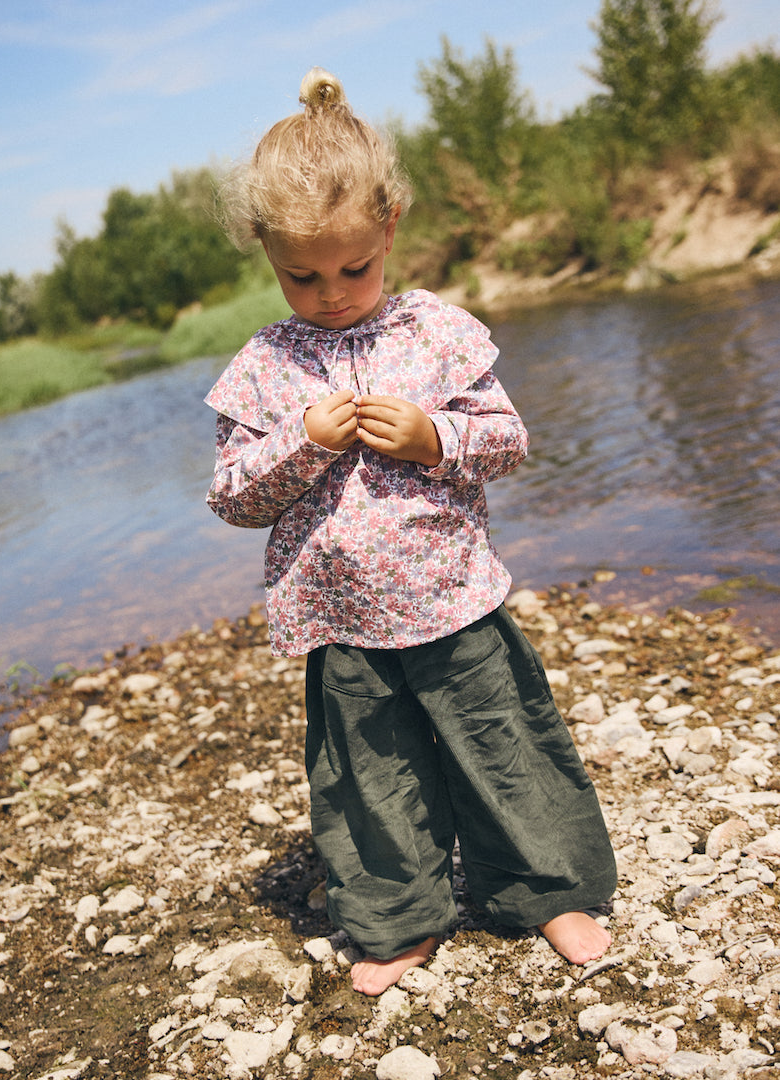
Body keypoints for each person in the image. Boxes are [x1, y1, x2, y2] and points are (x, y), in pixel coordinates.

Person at [205, 68, 617, 997]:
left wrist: (436, 438)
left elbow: (509, 440)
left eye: (355, 268)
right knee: (370, 778)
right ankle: (397, 918)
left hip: (452, 597)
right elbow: (231, 498)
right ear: (266, 251)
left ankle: (545, 888)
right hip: (343, 618)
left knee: (503, 744)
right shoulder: (263, 366)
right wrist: (299, 445)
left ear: (390, 226)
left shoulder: (437, 332)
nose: (333, 293)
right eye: (301, 275)